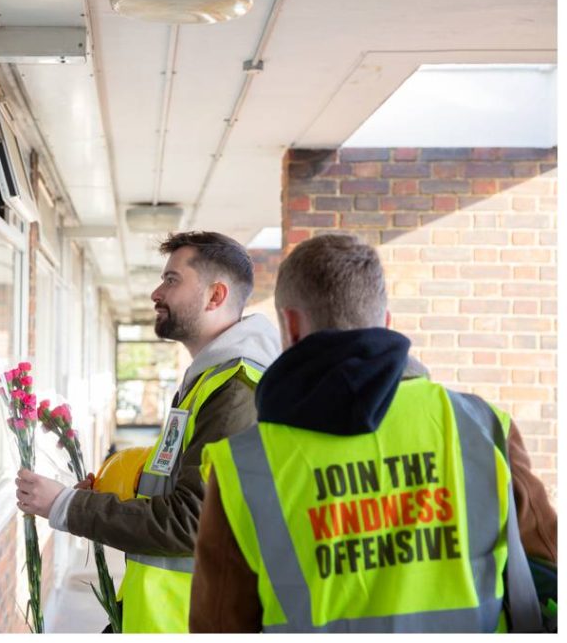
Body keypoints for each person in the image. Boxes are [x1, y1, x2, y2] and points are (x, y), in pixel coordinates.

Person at [191, 233, 558, 633]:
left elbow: (219, 626)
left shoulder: (245, 466)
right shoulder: (482, 427)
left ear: (291, 326)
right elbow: (548, 563)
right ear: (384, 322)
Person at [15, 230, 281, 632]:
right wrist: (114, 487)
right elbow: (176, 486)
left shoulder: (236, 390)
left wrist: (65, 506)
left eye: (172, 280)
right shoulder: (209, 380)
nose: (157, 293)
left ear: (215, 296)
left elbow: (191, 522)